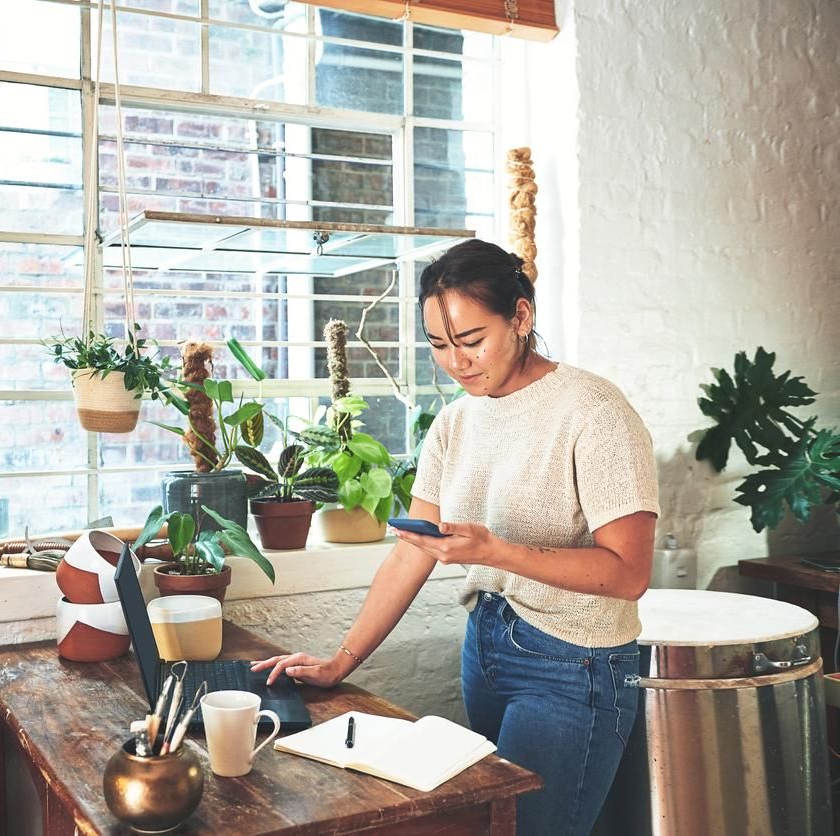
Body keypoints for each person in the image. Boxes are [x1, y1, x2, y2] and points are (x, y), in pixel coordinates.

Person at [252, 239, 659, 836]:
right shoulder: (456, 421)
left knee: (528, 829)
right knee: (490, 822)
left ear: (521, 317)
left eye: (472, 341)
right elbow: (412, 549)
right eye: (439, 345)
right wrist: (342, 661)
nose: (457, 361)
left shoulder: (593, 410)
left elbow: (629, 573)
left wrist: (495, 551)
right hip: (487, 647)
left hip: (576, 664)